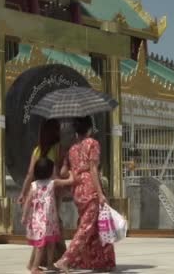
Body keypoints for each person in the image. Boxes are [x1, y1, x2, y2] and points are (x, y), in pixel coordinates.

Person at [55, 116, 116, 273]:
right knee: (87, 226)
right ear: (89, 129)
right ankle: (66, 259)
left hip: (78, 190)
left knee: (94, 225)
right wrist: (100, 193)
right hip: (90, 187)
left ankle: (99, 261)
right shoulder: (93, 144)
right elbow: (93, 170)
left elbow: (63, 172)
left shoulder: (72, 149)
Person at [17, 119, 67, 269]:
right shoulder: (57, 148)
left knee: (45, 231)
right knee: (52, 229)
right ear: (55, 132)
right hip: (52, 195)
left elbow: (30, 173)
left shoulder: (37, 149)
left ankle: (37, 262)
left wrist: (23, 193)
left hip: (38, 196)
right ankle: (51, 261)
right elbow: (54, 175)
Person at [21, 157, 73, 274]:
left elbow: (27, 202)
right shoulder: (51, 183)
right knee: (41, 244)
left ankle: (50, 264)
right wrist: (70, 172)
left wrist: (24, 216)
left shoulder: (36, 185)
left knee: (51, 241)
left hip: (50, 220)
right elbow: (70, 181)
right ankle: (35, 267)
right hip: (40, 220)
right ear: (50, 172)